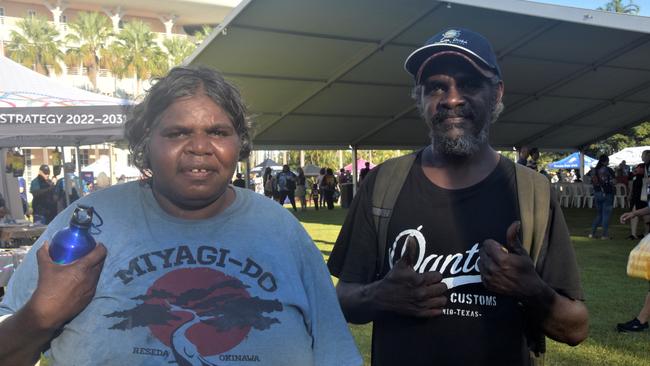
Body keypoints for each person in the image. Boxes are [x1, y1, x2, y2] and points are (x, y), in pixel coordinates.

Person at [0, 66, 361, 366]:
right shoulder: (89, 225)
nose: (200, 148)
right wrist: (39, 318)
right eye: (177, 133)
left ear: (240, 144)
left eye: (218, 132)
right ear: (145, 144)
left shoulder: (282, 230)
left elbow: (336, 352)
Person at [328, 28, 588, 365]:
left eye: (469, 84)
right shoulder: (383, 183)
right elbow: (344, 299)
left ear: (497, 94)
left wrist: (532, 289)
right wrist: (380, 295)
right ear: (419, 98)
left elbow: (575, 328)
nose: (452, 99)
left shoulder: (531, 191)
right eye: (436, 87)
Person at [589, 155, 616, 240]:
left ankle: (592, 233)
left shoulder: (593, 170)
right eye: (608, 161)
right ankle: (604, 235)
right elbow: (614, 181)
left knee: (599, 215)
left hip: (597, 193)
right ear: (605, 161)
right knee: (606, 215)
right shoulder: (608, 170)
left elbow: (590, 181)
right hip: (607, 193)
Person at [627, 163, 648, 239]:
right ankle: (633, 234)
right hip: (636, 198)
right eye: (637, 167)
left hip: (644, 198)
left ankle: (646, 233)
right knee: (634, 214)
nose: (637, 169)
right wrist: (630, 194)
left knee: (646, 216)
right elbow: (631, 185)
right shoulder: (635, 177)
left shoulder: (646, 177)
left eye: (639, 168)